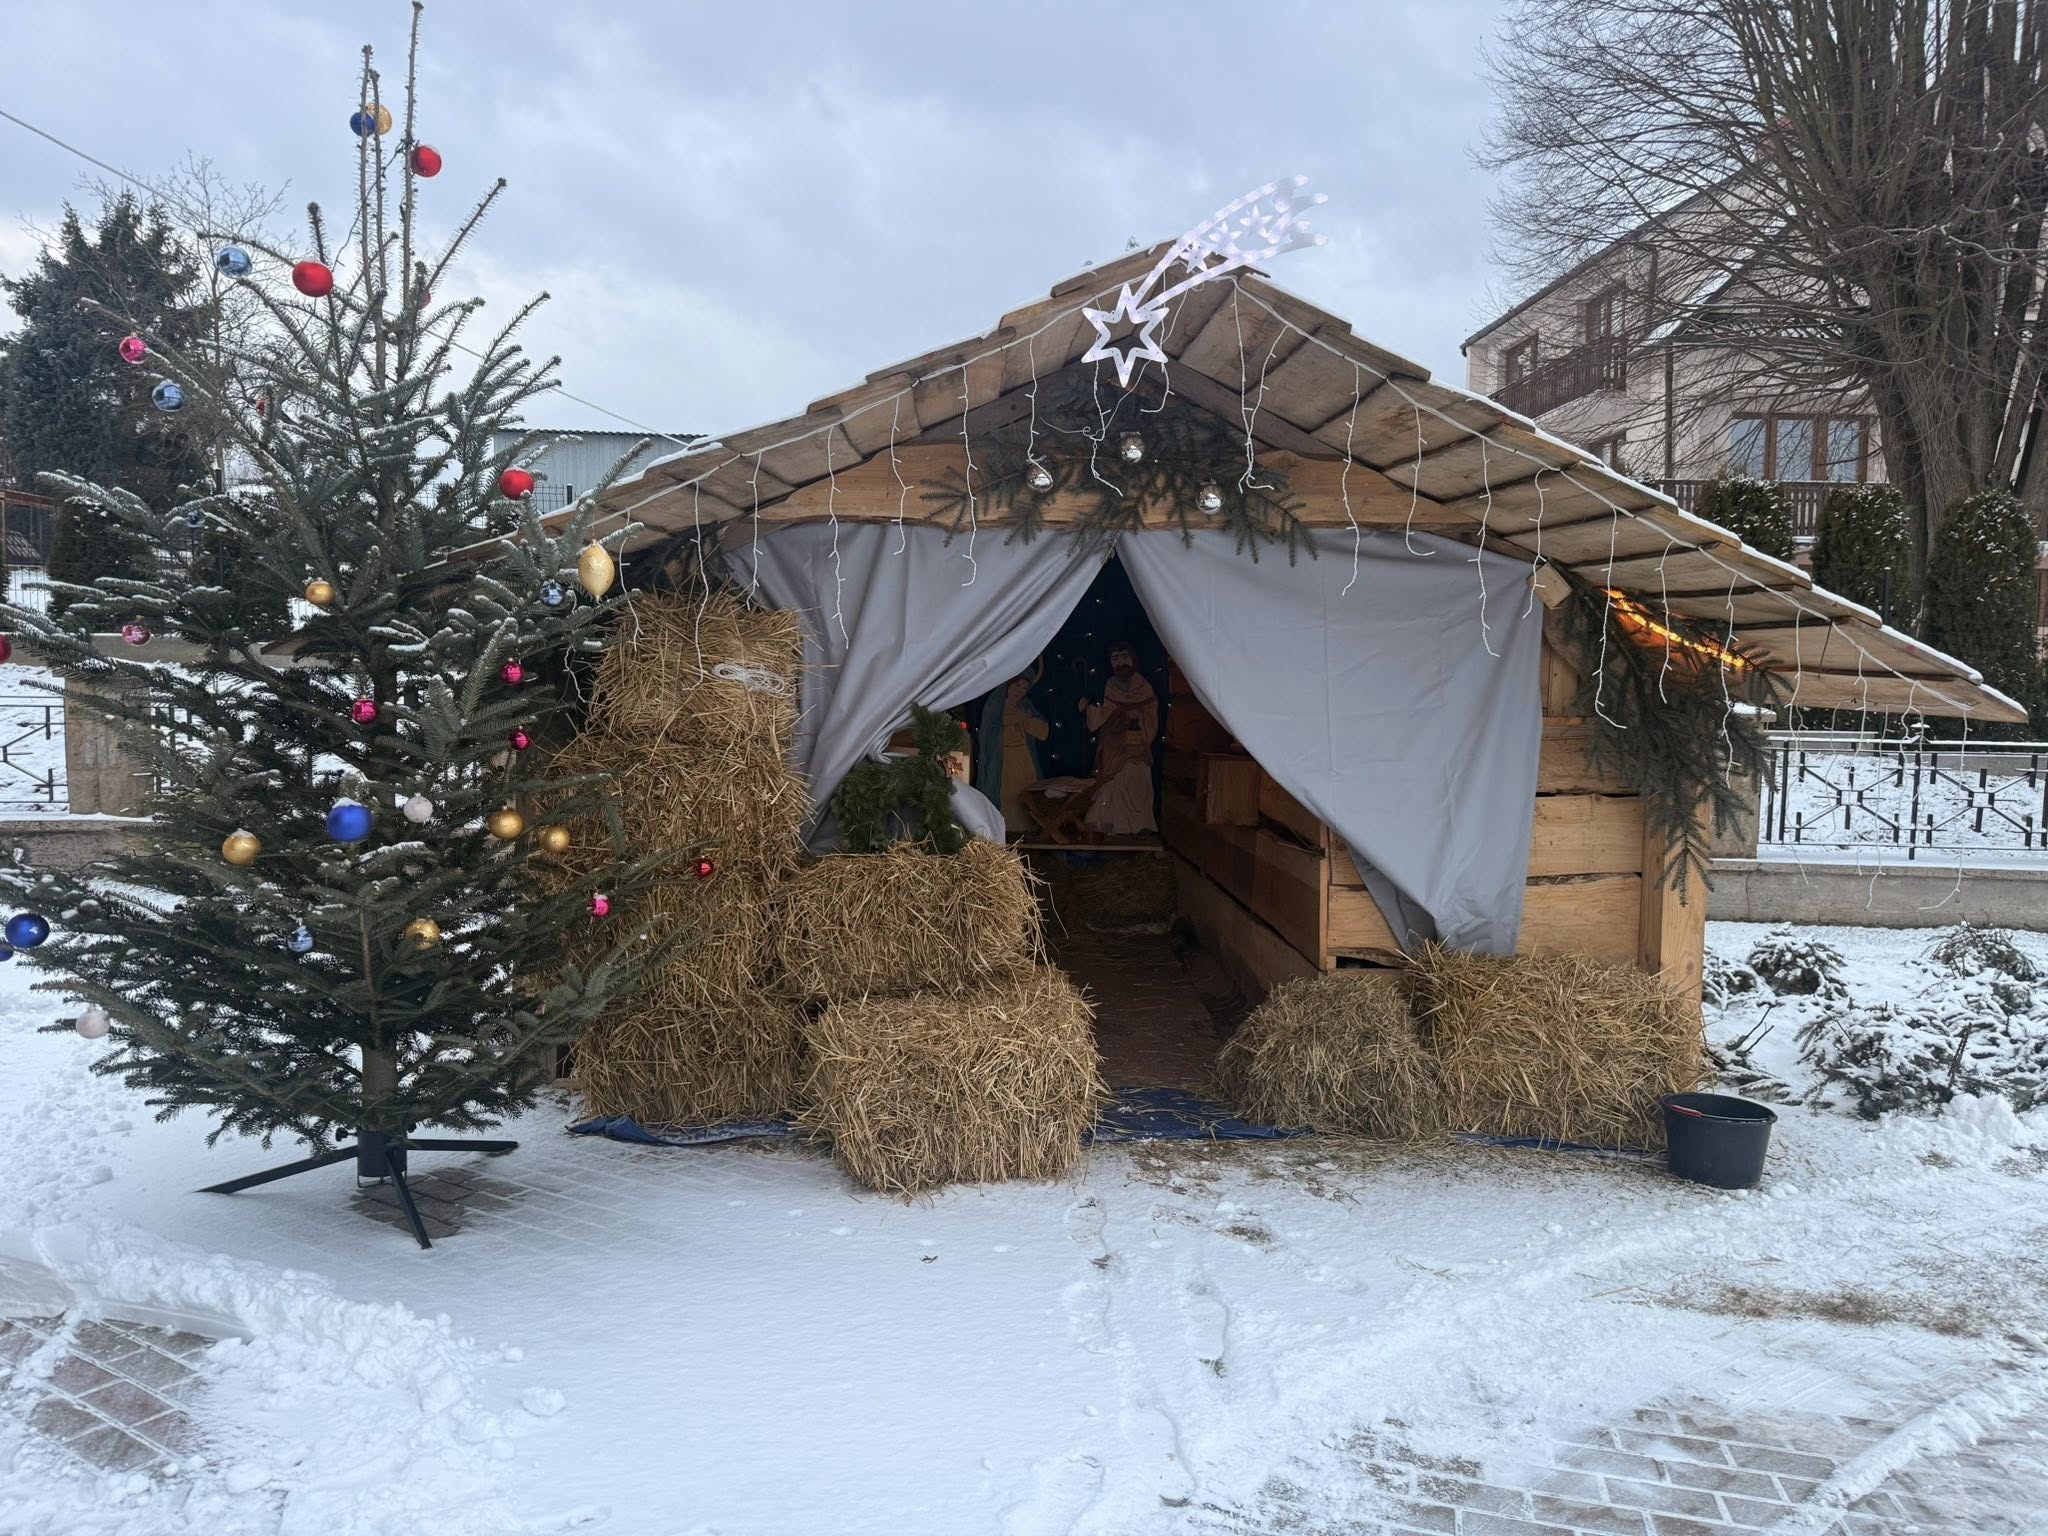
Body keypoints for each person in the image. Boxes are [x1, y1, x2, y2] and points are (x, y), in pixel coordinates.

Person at [1078, 641, 1158, 836]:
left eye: (1124, 657)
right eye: (1115, 659)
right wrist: (1089, 708)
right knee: (1111, 786)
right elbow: (1097, 721)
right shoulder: (1109, 686)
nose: (1120, 662)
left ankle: (1139, 827)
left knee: (1137, 783)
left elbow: (1151, 718)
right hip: (1113, 748)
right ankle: (1111, 827)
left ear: (1132, 659)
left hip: (1136, 749)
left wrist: (1139, 717)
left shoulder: (1144, 688)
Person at [975, 663, 1050, 837]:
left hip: (1024, 758)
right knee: (1008, 797)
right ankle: (1004, 833)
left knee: (1026, 797)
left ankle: (1028, 833)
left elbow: (1043, 732)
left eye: (1025, 687)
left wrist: (1024, 720)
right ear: (1009, 684)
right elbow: (988, 734)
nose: (1021, 691)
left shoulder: (1026, 706)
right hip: (1004, 761)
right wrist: (1006, 724)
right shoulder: (995, 706)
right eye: (1018, 685)